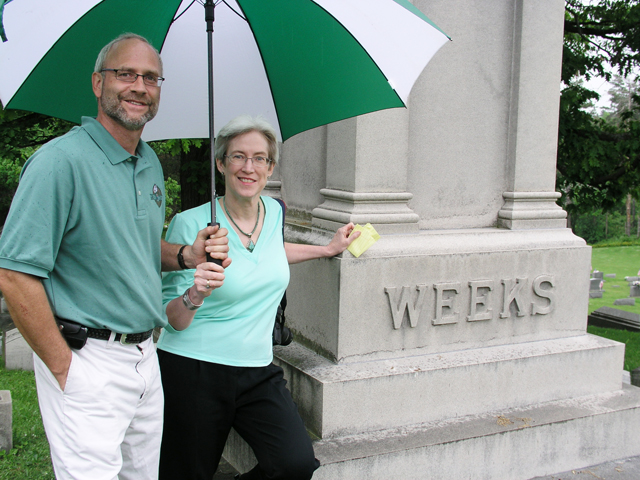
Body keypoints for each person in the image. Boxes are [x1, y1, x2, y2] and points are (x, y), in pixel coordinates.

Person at [0, 33, 229, 480]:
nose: (139, 86)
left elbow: (133, 248)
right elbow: (14, 275)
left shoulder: (149, 162)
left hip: (146, 357)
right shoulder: (59, 163)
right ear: (97, 83)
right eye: (125, 73)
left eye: (150, 77)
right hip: (87, 359)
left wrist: (187, 253)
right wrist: (65, 368)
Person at [157, 115, 361, 480]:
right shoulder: (191, 225)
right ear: (220, 164)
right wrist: (195, 293)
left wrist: (327, 249)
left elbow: (270, 253)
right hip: (194, 368)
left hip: (256, 367)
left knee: (293, 464)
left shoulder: (274, 212)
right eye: (237, 157)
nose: (248, 167)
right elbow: (172, 318)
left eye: (259, 158)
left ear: (270, 167)